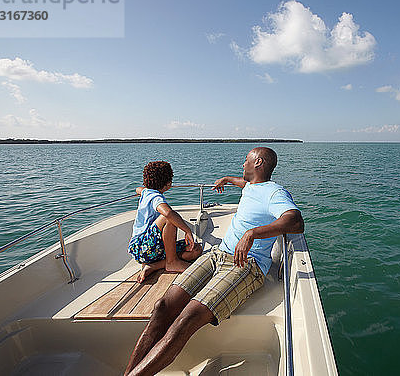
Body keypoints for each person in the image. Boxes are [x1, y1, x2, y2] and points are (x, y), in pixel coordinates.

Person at [124, 147, 304, 376]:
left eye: (246, 161)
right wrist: (227, 179)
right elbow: (243, 183)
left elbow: (295, 221)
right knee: (162, 307)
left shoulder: (274, 192)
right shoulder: (251, 186)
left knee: (186, 318)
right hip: (217, 254)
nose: (243, 165)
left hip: (246, 264)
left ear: (258, 162)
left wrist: (252, 234)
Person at [129, 161, 202, 283]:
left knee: (195, 250)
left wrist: (143, 189)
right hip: (142, 246)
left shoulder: (146, 192)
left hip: (149, 250)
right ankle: (172, 262)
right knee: (169, 217)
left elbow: (138, 189)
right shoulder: (156, 197)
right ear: (168, 183)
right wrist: (187, 230)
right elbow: (167, 213)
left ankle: (154, 265)